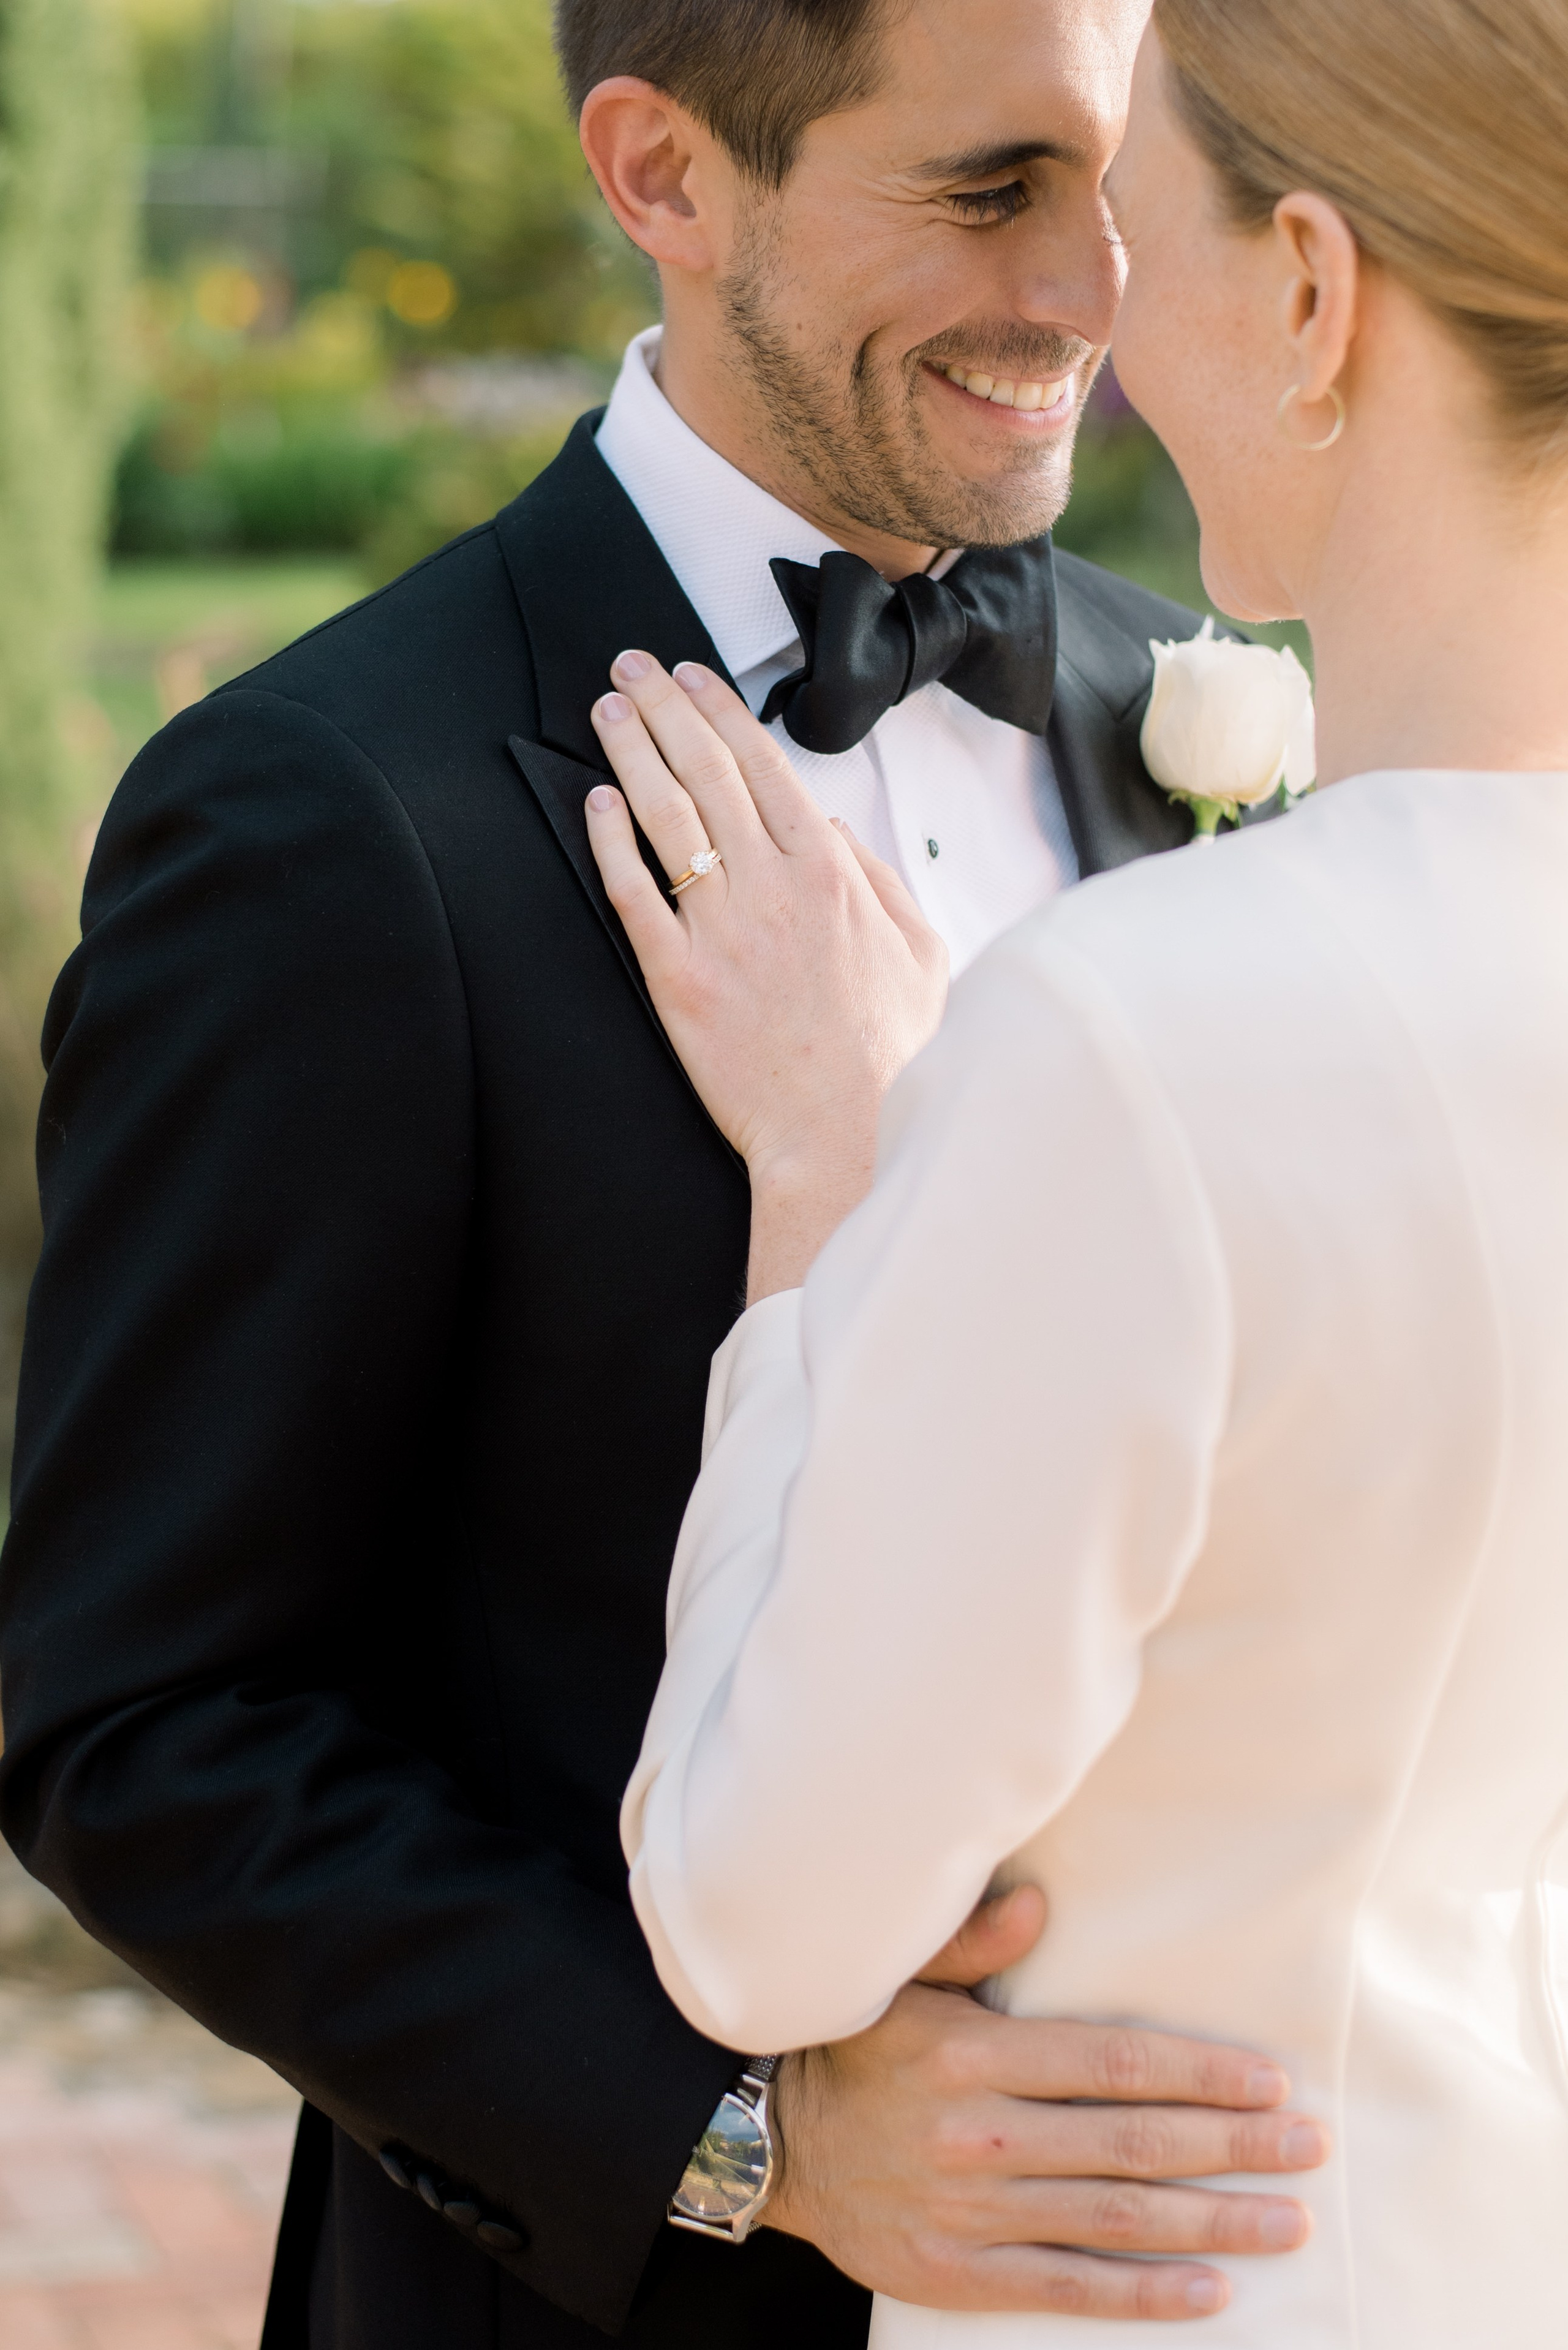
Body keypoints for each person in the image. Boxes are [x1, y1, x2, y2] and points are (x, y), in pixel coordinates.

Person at [0, 1, 1330, 2345]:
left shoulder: (1198, 727)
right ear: (664, 173)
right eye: (984, 190)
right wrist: (745, 2138)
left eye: (1111, 186)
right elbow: (139, 1722)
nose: (1094, 294)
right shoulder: (326, 821)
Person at [589, 0, 1568, 2341]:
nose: (1105, 320)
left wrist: (838, 1186)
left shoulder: (1139, 1037)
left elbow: (753, 1912)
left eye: (1145, 225)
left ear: (1314, 292)